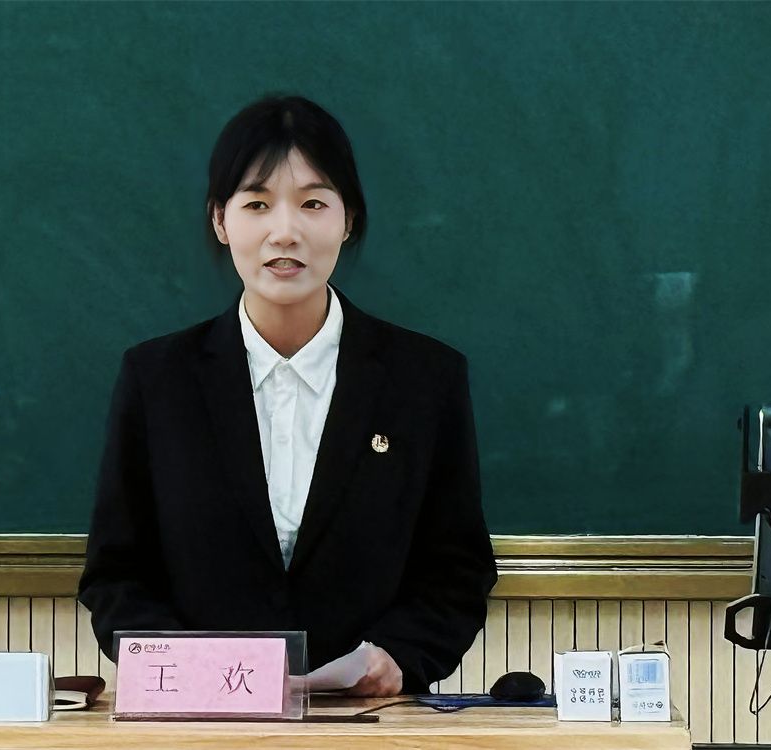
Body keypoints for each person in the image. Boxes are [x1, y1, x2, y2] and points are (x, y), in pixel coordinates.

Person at [78, 95, 497, 697]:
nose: (285, 231)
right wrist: (190, 678)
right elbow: (117, 573)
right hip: (198, 723)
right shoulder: (157, 379)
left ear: (348, 219)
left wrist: (399, 657)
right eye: (256, 204)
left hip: (371, 723)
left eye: (313, 203)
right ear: (221, 221)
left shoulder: (424, 379)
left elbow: (456, 568)